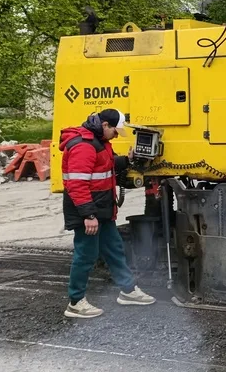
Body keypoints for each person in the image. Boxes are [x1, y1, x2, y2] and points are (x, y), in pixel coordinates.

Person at [59, 108, 155, 318]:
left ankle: (128, 291)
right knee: (86, 255)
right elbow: (77, 184)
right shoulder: (83, 146)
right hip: (88, 213)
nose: (116, 135)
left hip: (101, 210)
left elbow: (104, 166)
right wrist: (88, 216)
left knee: (114, 250)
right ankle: (75, 302)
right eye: (115, 131)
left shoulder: (98, 142)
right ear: (105, 125)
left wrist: (127, 160)